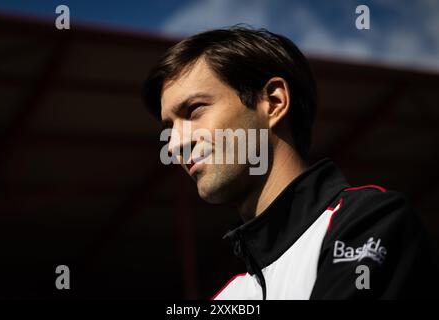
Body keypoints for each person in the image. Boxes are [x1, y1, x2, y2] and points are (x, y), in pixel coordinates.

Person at [142, 26, 438, 299]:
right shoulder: (230, 296)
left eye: (194, 110)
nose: (176, 143)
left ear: (273, 101)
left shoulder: (371, 222)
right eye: (169, 128)